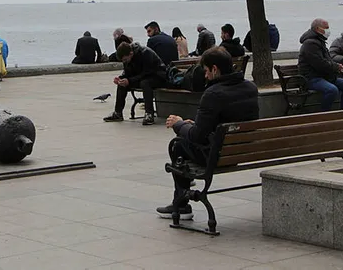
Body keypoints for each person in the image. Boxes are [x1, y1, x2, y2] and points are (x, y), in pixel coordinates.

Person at [156, 47, 259, 219]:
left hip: (217, 155)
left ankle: (181, 205)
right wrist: (193, 125)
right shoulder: (250, 87)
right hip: (243, 150)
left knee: (178, 145)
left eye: (206, 71)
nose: (205, 76)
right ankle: (182, 198)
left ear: (214, 69)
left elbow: (197, 136)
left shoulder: (213, 93)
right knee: (186, 137)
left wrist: (179, 124)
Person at [103, 41, 167, 125]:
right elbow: (127, 73)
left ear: (131, 53)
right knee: (122, 85)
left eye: (125, 59)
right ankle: (118, 113)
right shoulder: (127, 59)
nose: (125, 62)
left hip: (157, 76)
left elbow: (147, 72)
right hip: (141, 78)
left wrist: (129, 80)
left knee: (145, 83)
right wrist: (121, 79)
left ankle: (149, 114)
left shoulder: (146, 53)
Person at [298, 18, 343, 111]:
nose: (328, 30)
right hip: (312, 78)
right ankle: (324, 114)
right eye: (326, 28)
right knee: (331, 90)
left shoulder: (319, 41)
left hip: (324, 77)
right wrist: (335, 67)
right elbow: (319, 64)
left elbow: (327, 60)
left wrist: (336, 65)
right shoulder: (310, 44)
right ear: (317, 29)